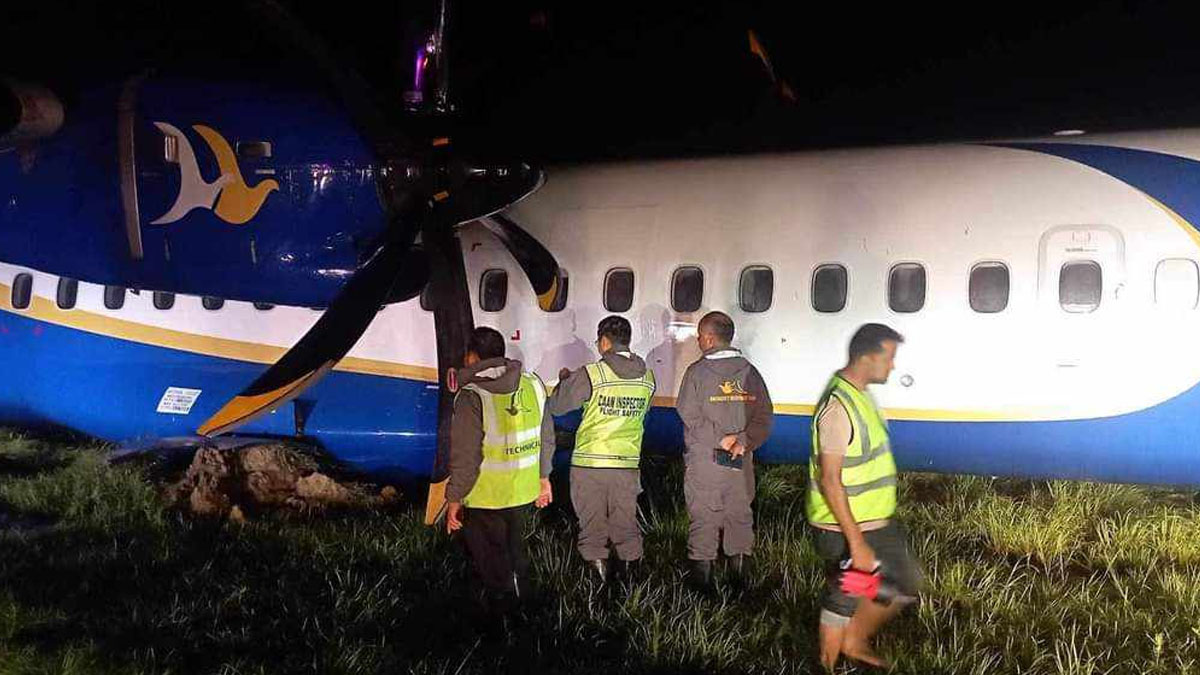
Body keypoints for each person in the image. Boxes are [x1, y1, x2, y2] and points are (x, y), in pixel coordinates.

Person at [808, 323, 924, 670]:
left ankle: (853, 641)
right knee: (846, 594)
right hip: (843, 526)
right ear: (868, 357)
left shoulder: (860, 395)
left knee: (901, 581)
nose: (892, 366)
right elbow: (830, 480)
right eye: (888, 358)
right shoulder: (839, 407)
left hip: (873, 519)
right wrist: (856, 543)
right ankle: (827, 665)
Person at [445, 326, 555, 614]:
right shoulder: (533, 384)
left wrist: (454, 499)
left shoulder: (471, 396)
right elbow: (547, 436)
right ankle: (526, 611)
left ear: (471, 357)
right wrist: (544, 478)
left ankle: (503, 624)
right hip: (522, 490)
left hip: (485, 496)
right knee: (516, 554)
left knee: (490, 565)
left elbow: (466, 456)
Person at [547, 315, 656, 583]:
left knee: (592, 528)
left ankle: (599, 594)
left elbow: (558, 406)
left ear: (605, 341)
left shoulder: (592, 373)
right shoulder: (648, 378)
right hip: (627, 465)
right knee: (626, 526)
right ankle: (630, 590)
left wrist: (564, 382)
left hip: (590, 464)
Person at [676, 311, 773, 588]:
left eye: (699, 336)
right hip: (739, 460)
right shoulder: (751, 372)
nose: (698, 341)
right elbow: (765, 417)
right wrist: (743, 441)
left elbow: (689, 414)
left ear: (708, 338)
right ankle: (740, 587)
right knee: (739, 516)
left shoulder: (697, 372)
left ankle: (702, 590)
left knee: (704, 517)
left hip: (706, 460)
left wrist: (721, 439)